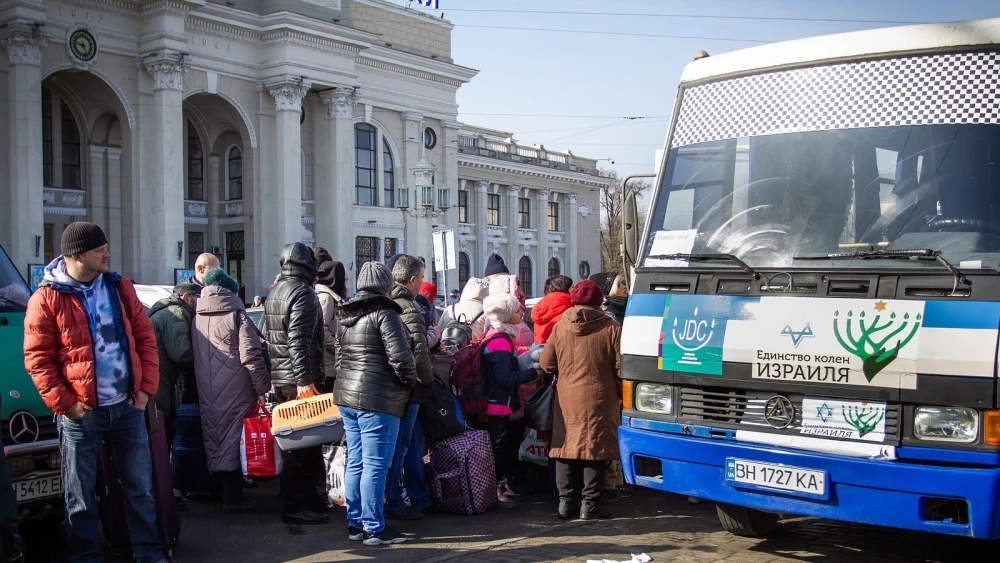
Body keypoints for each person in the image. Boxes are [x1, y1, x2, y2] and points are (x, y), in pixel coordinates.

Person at [23, 222, 165, 563]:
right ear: (77, 255)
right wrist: (67, 405)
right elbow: (37, 360)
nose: (107, 254)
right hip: (80, 414)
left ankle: (149, 555)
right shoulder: (47, 298)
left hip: (127, 407)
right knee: (80, 497)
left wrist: (145, 389)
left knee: (140, 490)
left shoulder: (119, 287)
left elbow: (146, 337)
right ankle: (85, 558)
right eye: (100, 249)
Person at [334, 262, 417, 545]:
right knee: (375, 465)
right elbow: (402, 359)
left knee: (356, 461)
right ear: (385, 287)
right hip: (377, 398)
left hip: (347, 396)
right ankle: (374, 527)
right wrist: (407, 384)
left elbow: (339, 359)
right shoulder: (386, 314)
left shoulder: (344, 315)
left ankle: (356, 523)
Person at [539, 279, 622, 521]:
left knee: (565, 447)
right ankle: (591, 504)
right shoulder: (612, 328)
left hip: (566, 397)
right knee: (594, 448)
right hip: (600, 396)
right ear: (599, 301)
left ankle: (565, 504)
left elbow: (546, 363)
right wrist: (618, 394)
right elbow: (620, 368)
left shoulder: (561, 326)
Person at [191, 268, 270, 513]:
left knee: (216, 434)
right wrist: (262, 387)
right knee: (236, 439)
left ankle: (219, 492)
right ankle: (233, 498)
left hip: (207, 387)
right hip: (238, 387)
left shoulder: (197, 317)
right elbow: (251, 356)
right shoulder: (238, 316)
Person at [264, 242, 328, 525]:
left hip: (282, 377)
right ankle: (296, 506)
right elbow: (298, 341)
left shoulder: (276, 290)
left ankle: (304, 501)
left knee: (294, 445)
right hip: (299, 379)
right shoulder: (302, 293)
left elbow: (272, 338)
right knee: (303, 447)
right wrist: (305, 380)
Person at [481, 293, 543, 507]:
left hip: (500, 402)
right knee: (497, 449)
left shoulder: (496, 335)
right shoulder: (501, 341)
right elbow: (505, 377)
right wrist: (535, 374)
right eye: (517, 310)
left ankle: (502, 485)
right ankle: (496, 491)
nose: (521, 312)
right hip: (498, 403)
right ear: (506, 315)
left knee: (504, 447)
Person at [385, 256, 434, 521]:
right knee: (402, 444)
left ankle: (406, 497)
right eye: (422, 278)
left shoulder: (386, 301)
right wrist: (426, 382)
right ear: (413, 280)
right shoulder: (409, 307)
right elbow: (419, 352)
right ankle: (395, 499)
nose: (422, 283)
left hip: (390, 386)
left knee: (399, 444)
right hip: (409, 387)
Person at [149, 282, 201, 449]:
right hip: (160, 379)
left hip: (157, 376)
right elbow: (182, 354)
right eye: (199, 298)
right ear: (187, 297)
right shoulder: (177, 312)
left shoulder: (168, 311)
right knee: (161, 427)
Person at [315, 260, 346, 389]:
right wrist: (340, 349)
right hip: (328, 366)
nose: (345, 284)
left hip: (330, 364)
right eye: (344, 280)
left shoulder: (331, 297)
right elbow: (322, 330)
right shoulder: (326, 298)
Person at [436, 276, 490, 343]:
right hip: (474, 352)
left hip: (449, 351)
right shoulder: (487, 313)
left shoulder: (449, 309)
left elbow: (438, 332)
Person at [530, 275, 574, 345]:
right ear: (564, 288)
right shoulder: (571, 310)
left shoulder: (539, 309)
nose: (575, 290)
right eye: (572, 287)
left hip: (541, 352)